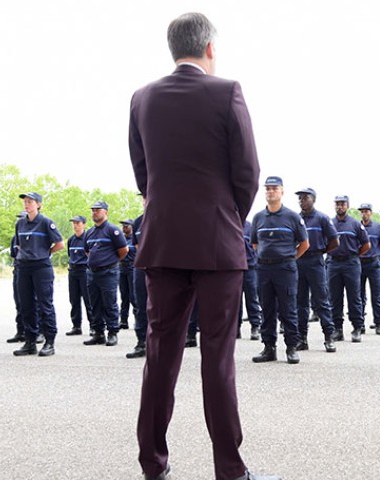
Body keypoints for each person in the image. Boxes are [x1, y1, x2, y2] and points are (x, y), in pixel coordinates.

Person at [128, 12, 278, 480]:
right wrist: (226, 215)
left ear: (173, 49)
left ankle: (153, 464)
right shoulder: (226, 91)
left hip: (163, 241)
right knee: (217, 357)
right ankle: (230, 470)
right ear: (210, 48)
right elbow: (247, 171)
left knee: (160, 355)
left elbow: (142, 173)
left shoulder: (142, 98)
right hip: (216, 243)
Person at [251, 176, 309, 363]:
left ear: (282, 192)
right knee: (266, 308)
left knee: (288, 308)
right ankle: (269, 347)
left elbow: (304, 244)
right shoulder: (258, 217)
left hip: (285, 268)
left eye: (274, 188)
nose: (270, 192)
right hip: (263, 268)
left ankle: (292, 347)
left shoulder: (292, 217)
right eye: (267, 189)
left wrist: (289, 258)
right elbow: (254, 244)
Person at [12, 192, 64, 357]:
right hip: (23, 267)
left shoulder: (45, 222)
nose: (26, 204)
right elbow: (19, 245)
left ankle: (49, 341)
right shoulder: (20, 224)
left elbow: (60, 244)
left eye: (30, 202)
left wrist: (45, 252)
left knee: (45, 304)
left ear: (38, 204)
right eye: (25, 202)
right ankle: (30, 341)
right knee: (26, 305)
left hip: (41, 267)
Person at [295, 187, 338, 352]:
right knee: (300, 302)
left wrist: (320, 251)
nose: (302, 201)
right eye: (300, 199)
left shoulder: (322, 218)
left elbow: (335, 241)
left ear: (313, 199)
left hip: (315, 261)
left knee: (321, 301)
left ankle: (329, 337)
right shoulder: (295, 218)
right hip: (299, 262)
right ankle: (302, 339)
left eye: (305, 198)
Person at [83, 201, 128, 347]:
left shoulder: (112, 230)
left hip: (108, 272)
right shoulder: (89, 233)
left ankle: (113, 332)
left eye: (98, 210)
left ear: (106, 212)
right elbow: (87, 251)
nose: (94, 212)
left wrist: (110, 261)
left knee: (110, 302)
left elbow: (123, 251)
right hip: (92, 273)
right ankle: (98, 333)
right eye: (93, 210)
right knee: (94, 303)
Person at [328, 195, 369, 342]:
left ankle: (357, 327)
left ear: (347, 206)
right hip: (333, 264)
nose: (340, 206)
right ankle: (337, 329)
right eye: (337, 204)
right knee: (335, 297)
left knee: (354, 297)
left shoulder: (355, 224)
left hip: (351, 264)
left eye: (342, 204)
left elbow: (366, 244)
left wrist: (355, 254)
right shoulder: (330, 223)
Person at [359, 203, 380, 335]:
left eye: (367, 211)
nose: (364, 213)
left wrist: (378, 251)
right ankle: (359, 324)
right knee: (359, 295)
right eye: (362, 211)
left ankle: (379, 323)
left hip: (374, 264)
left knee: (377, 294)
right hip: (359, 263)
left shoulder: (378, 227)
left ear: (371, 213)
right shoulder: (357, 226)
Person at [66, 215, 92, 336]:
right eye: (74, 223)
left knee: (88, 299)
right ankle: (76, 326)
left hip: (84, 271)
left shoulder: (87, 238)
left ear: (84, 224)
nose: (75, 225)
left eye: (78, 223)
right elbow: (70, 255)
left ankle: (93, 326)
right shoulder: (71, 240)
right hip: (73, 271)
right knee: (74, 299)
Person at [127, 213, 148, 358]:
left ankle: (160, 345)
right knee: (140, 306)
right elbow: (137, 244)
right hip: (141, 267)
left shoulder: (166, 215)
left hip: (161, 267)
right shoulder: (138, 221)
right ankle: (142, 342)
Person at [7, 210, 28, 343]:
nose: (19, 220)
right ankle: (20, 331)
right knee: (19, 302)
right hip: (18, 269)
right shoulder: (15, 237)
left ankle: (37, 331)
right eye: (18, 218)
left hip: (30, 269)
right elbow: (14, 253)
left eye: (22, 218)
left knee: (33, 303)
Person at [239, 219, 262, 341]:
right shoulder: (231, 223)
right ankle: (236, 328)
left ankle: (255, 326)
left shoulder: (251, 227)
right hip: (235, 268)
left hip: (250, 267)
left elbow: (257, 246)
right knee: (234, 300)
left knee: (252, 297)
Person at [119, 219, 137, 330]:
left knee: (133, 296)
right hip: (122, 267)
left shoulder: (134, 239)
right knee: (124, 295)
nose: (124, 228)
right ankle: (123, 320)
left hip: (132, 267)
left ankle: (138, 319)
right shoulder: (121, 240)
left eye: (126, 226)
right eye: (123, 226)